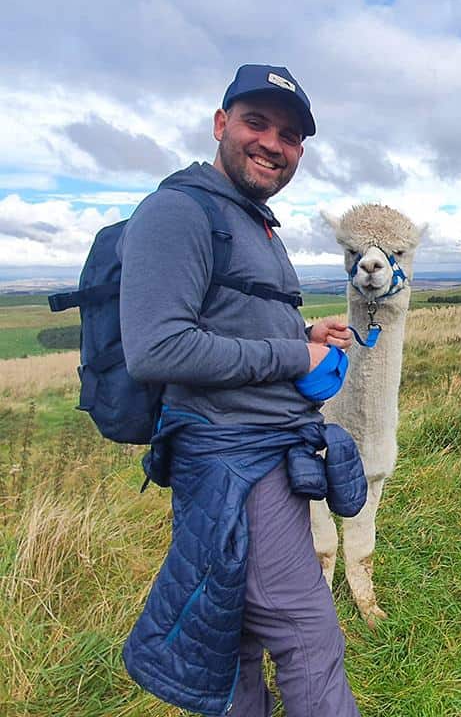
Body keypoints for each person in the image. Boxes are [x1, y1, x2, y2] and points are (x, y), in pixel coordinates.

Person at [118, 64, 363, 716]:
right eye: (257, 122)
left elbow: (225, 318)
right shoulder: (178, 211)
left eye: (290, 134)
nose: (273, 144)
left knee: (238, 639)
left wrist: (301, 328)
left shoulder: (254, 222)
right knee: (308, 638)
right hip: (235, 467)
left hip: (262, 460)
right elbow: (158, 347)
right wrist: (295, 352)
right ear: (221, 125)